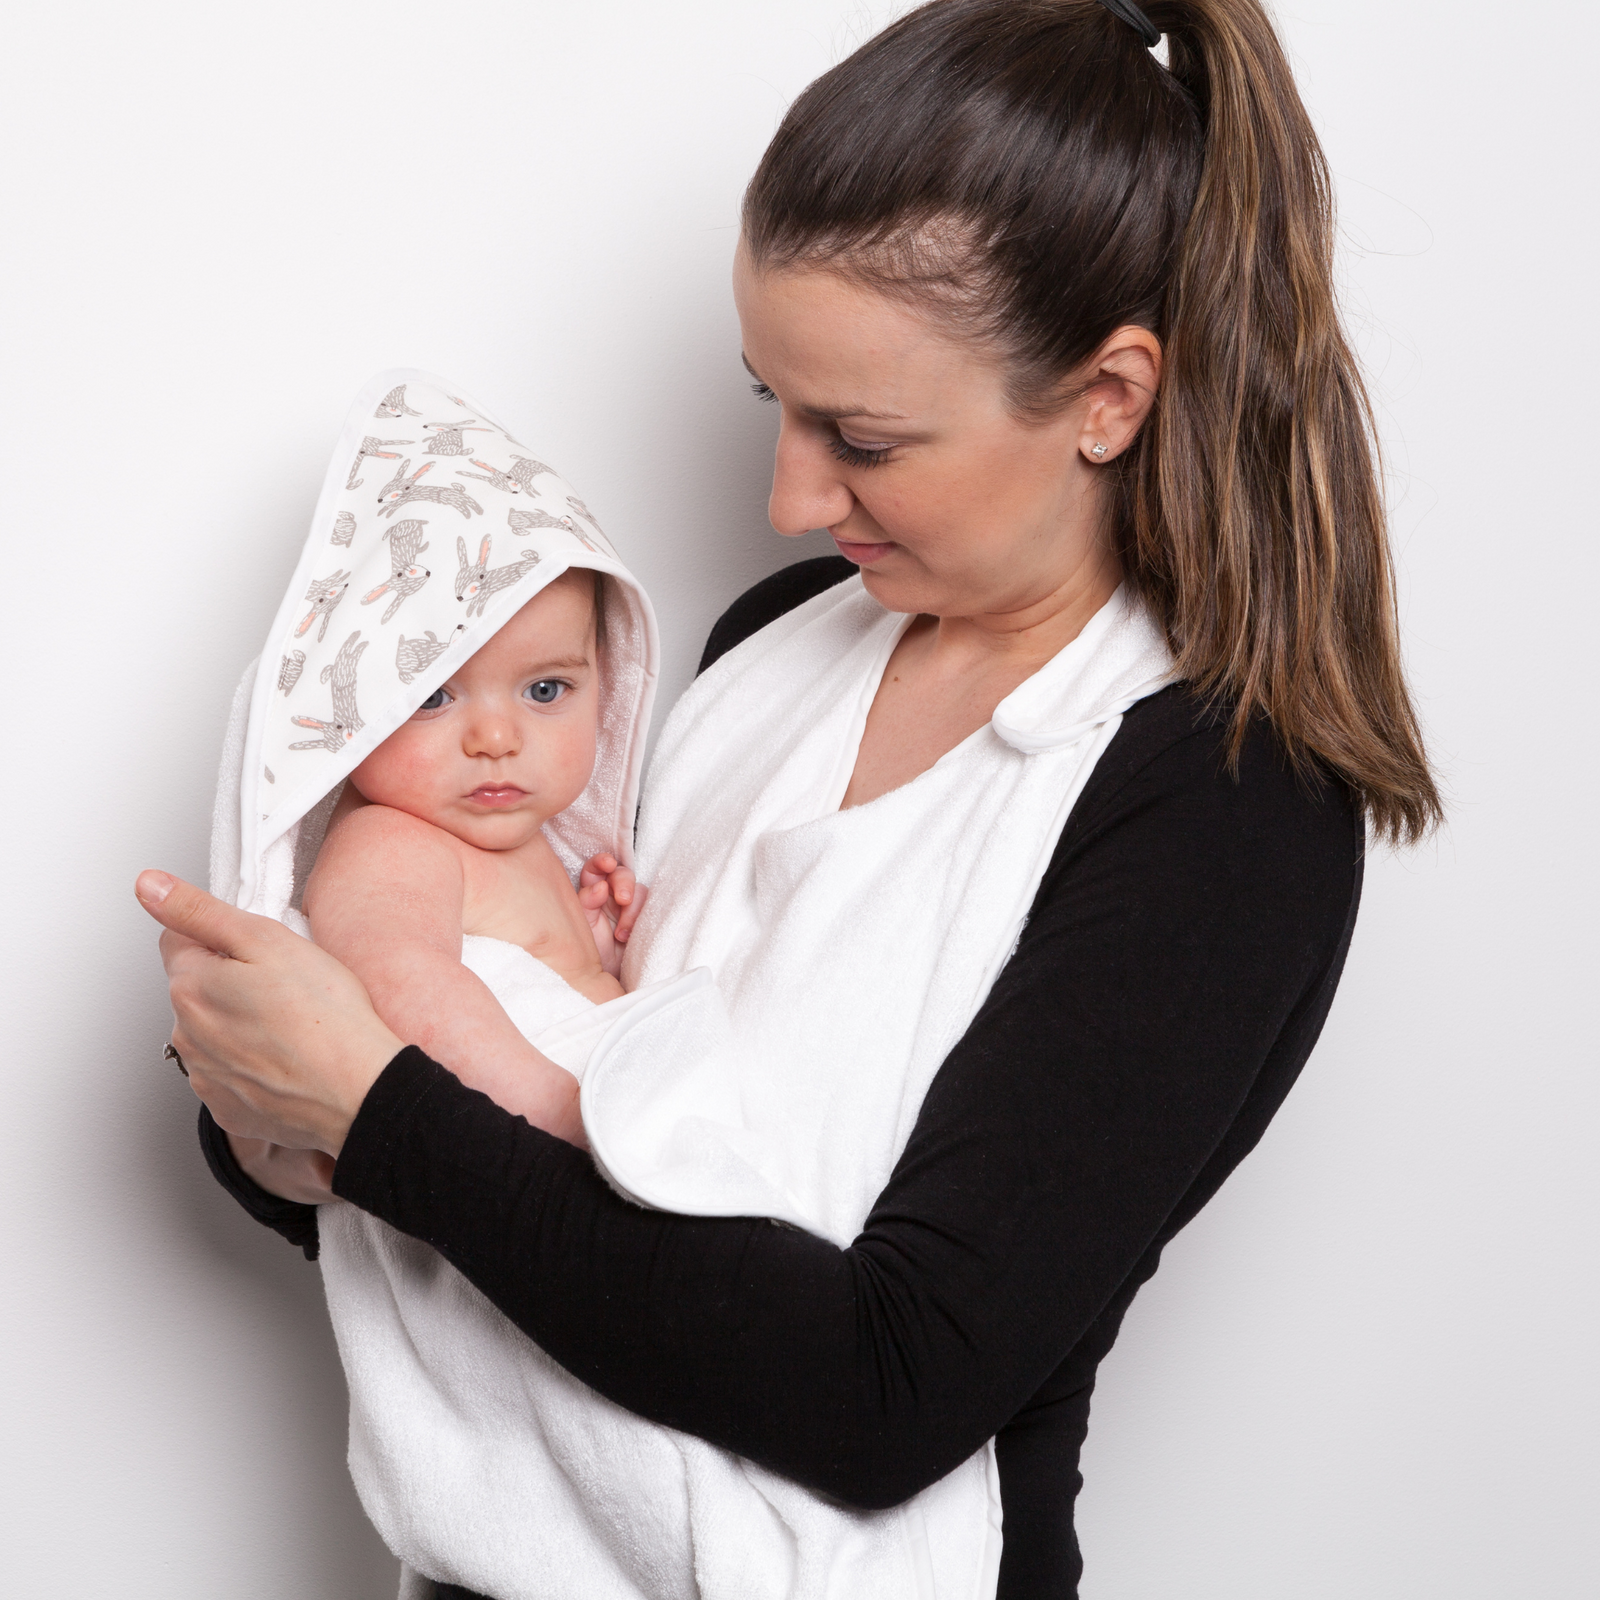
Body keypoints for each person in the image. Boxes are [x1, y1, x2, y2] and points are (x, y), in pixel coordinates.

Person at [140, 2, 1441, 1595]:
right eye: (773, 400)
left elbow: (885, 1390)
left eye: (863, 439)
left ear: (1109, 397)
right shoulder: (775, 650)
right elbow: (541, 1175)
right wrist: (270, 1106)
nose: (788, 499)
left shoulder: (1222, 809)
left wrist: (369, 1111)